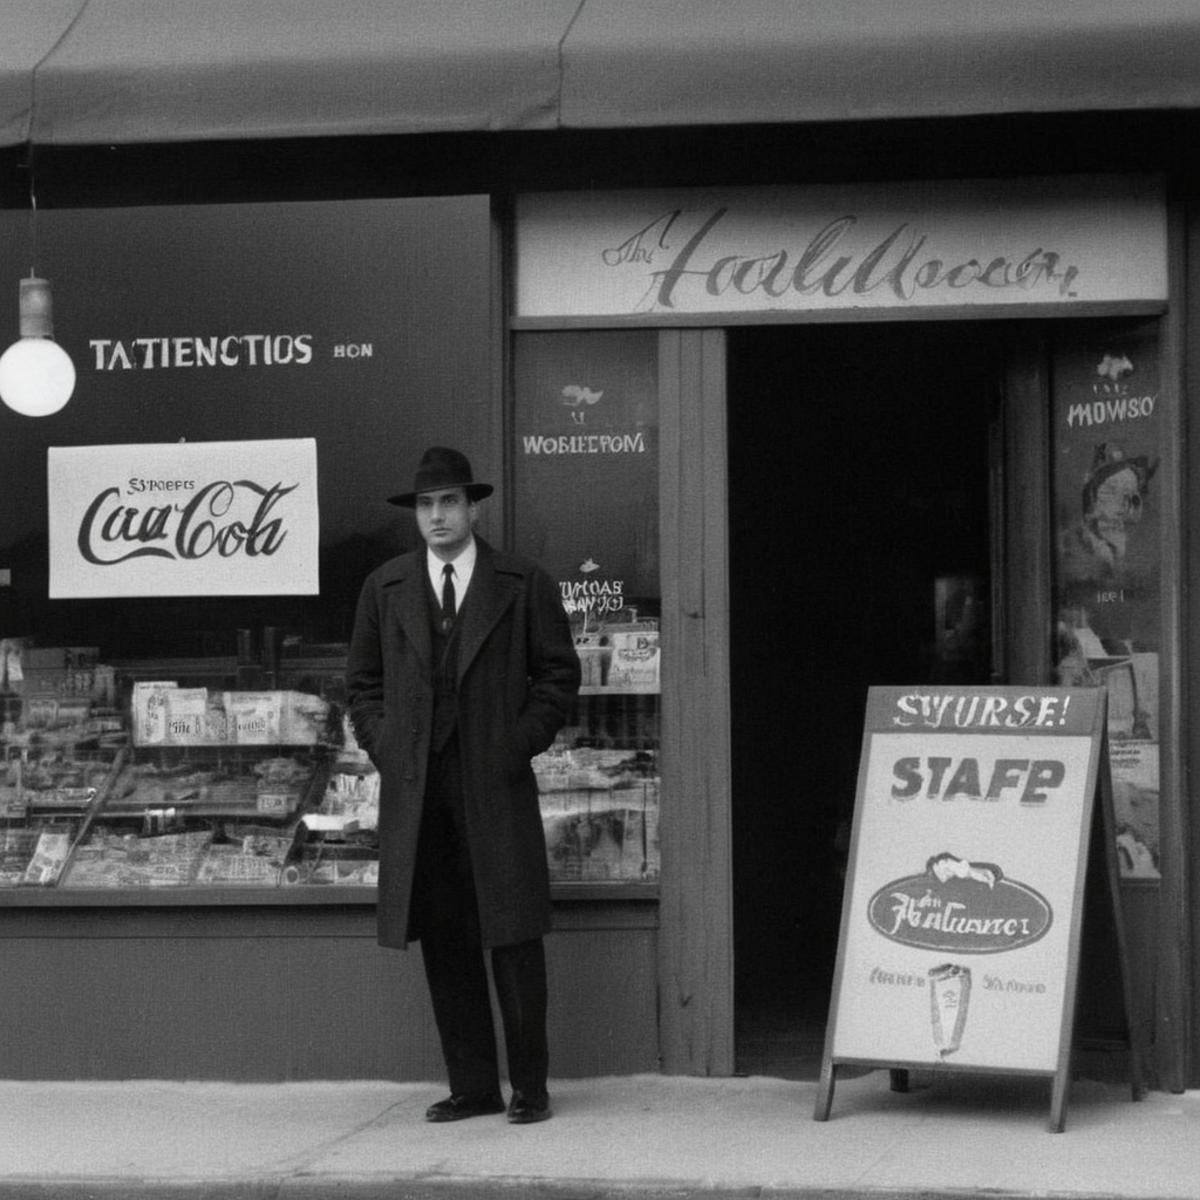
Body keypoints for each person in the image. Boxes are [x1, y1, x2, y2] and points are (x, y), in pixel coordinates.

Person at [346, 446, 580, 1125]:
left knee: (512, 938)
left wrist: (513, 747)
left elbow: (558, 679)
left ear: (472, 509)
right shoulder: (384, 587)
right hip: (419, 790)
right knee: (446, 941)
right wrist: (389, 746)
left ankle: (529, 1087)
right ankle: (474, 1086)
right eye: (426, 504)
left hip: (494, 782)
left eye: (449, 502)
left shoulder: (521, 582)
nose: (438, 515)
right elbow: (362, 686)